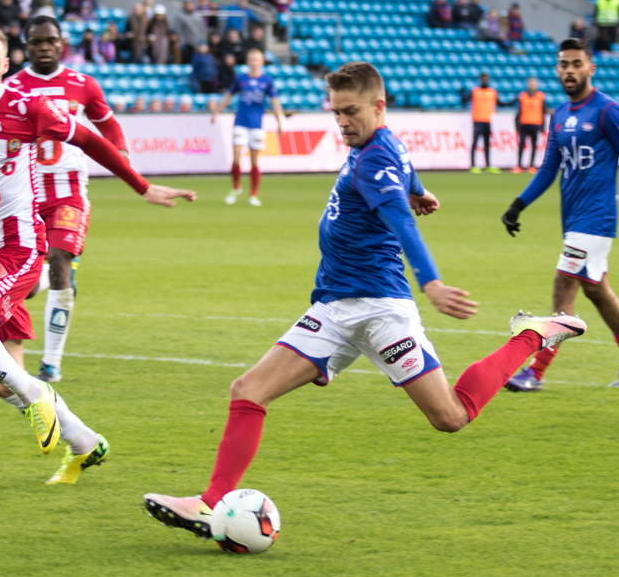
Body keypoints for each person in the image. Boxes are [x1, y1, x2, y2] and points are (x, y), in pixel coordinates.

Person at [143, 61, 587, 536]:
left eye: (350, 112)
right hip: (333, 308)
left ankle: (531, 336)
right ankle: (210, 503)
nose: (341, 122)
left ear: (379, 105)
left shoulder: (375, 159)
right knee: (247, 391)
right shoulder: (383, 143)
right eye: (335, 113)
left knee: (451, 416)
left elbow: (402, 225)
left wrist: (431, 281)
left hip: (381, 313)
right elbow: (407, 171)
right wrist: (420, 189)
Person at [0, 21, 195, 483]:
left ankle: (39, 395)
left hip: (15, 248)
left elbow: (90, 140)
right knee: (0, 383)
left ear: (6, 66)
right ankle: (85, 442)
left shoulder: (28, 108)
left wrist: (141, 186)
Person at [503, 38, 619, 390]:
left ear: (590, 69)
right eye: (563, 64)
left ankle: (534, 372)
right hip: (574, 221)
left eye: (576, 64)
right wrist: (518, 204)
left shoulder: (608, 111)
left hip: (596, 219)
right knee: (597, 291)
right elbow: (550, 168)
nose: (569, 70)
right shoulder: (560, 115)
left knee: (563, 283)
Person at [5, 14, 131, 382]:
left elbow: (106, 122)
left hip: (68, 190)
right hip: (24, 192)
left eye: (50, 40)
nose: (44, 47)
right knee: (28, 274)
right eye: (36, 42)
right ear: (26, 46)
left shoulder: (83, 85)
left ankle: (51, 362)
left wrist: (119, 150)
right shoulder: (12, 87)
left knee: (60, 258)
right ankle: (42, 277)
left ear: (61, 44)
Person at [211, 48, 285, 206]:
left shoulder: (267, 80)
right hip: (241, 122)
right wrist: (217, 112)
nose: (254, 62)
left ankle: (253, 194)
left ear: (261, 62)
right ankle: (236, 187)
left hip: (257, 124)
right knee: (237, 157)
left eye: (256, 59)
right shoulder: (240, 79)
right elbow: (228, 96)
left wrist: (280, 121)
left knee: (254, 161)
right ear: (248, 62)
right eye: (251, 59)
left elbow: (274, 102)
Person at [465, 72, 503, 174]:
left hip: (488, 120)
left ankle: (488, 165)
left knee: (487, 143)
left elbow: (500, 103)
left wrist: (513, 101)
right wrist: (462, 93)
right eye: (483, 79)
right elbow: (464, 100)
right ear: (480, 80)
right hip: (477, 120)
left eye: (486, 79)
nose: (485, 81)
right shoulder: (475, 91)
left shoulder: (492, 92)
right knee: (475, 143)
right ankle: (473, 165)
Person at [511, 77, 545, 174]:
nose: (532, 85)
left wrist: (543, 125)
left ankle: (531, 165)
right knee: (521, 145)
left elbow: (543, 111)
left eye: (533, 83)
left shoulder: (540, 96)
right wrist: (517, 123)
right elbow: (519, 110)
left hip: (535, 124)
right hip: (524, 124)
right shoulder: (522, 96)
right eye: (530, 83)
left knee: (534, 146)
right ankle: (519, 165)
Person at [175, 0, 205, 64]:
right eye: (187, 5)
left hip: (197, 45)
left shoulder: (198, 16)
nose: (189, 6)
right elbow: (178, 30)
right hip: (186, 45)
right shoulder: (181, 16)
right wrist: (182, 41)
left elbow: (202, 29)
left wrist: (202, 42)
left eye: (190, 4)